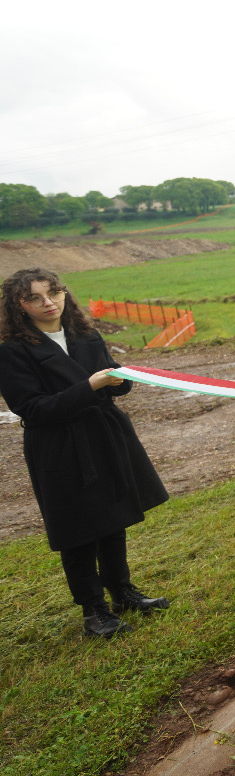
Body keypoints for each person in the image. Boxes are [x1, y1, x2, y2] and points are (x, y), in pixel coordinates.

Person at [0, 269, 170, 638]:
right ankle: (94, 610)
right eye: (36, 298)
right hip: (58, 446)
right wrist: (90, 385)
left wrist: (122, 380)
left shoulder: (86, 334)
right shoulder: (12, 350)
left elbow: (113, 386)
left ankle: (123, 593)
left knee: (113, 516)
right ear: (19, 305)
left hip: (102, 434)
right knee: (78, 528)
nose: (49, 303)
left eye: (54, 293)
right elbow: (33, 408)